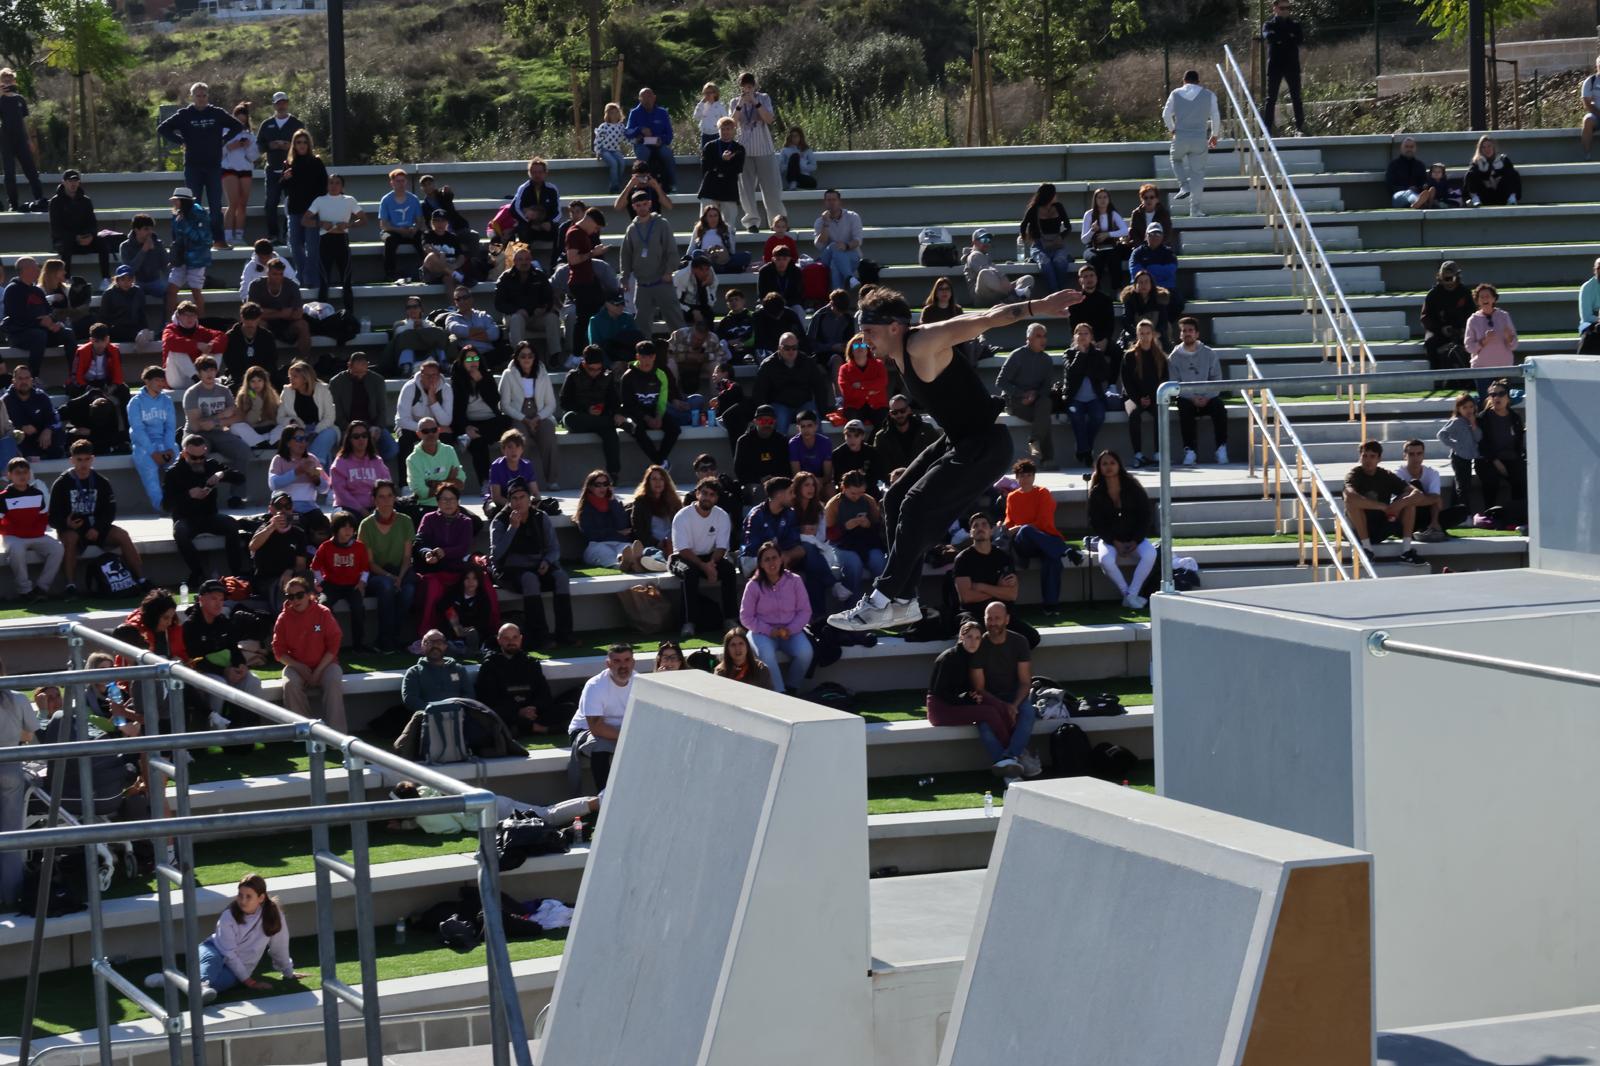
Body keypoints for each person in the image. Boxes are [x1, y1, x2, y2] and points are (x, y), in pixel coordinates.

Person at [927, 621, 1027, 778]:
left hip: (959, 704)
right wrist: (965, 698)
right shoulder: (949, 658)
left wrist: (970, 697)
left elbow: (970, 689)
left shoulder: (973, 657)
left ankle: (1009, 759)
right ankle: (1012, 756)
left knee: (1001, 707)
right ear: (961, 637)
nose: (973, 642)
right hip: (941, 709)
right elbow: (941, 693)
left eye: (978, 638)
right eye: (969, 637)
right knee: (989, 713)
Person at [48, 439, 146, 594]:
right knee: (71, 539)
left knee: (122, 535)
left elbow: (110, 512)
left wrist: (97, 528)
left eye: (87, 459)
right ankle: (70, 586)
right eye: (79, 460)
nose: (83, 464)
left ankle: (142, 579)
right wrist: (66, 523)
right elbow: (52, 517)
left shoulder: (101, 482)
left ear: (92, 459)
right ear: (71, 460)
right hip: (72, 530)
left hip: (97, 529)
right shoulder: (61, 484)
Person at [156, 82, 243, 248]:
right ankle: (192, 240)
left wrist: (223, 140)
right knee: (191, 204)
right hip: (193, 166)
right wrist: (181, 141)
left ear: (207, 96)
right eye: (198, 95)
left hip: (213, 166)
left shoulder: (217, 113)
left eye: (204, 95)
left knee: (215, 205)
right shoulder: (185, 114)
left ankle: (218, 240)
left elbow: (237, 126)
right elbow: (163, 128)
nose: (201, 99)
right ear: (192, 97)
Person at [489, 477, 572, 646]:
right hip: (510, 570)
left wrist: (547, 561)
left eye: (522, 497)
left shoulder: (541, 517)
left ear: (529, 498)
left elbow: (554, 548)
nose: (519, 502)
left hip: (538, 566)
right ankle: (540, 636)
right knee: (530, 579)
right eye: (514, 498)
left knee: (561, 577)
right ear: (509, 501)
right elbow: (497, 555)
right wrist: (513, 528)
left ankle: (565, 635)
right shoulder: (500, 521)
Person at [162, 434, 247, 586]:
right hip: (186, 518)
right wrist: (188, 495)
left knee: (231, 525)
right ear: (184, 454)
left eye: (202, 457)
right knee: (180, 532)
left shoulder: (211, 466)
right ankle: (198, 573)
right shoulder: (173, 473)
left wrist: (222, 474)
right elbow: (166, 505)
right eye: (194, 458)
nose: (198, 461)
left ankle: (236, 573)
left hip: (209, 516)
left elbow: (240, 478)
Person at [968, 601, 1038, 775]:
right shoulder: (979, 645)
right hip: (989, 698)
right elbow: (979, 688)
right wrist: (1002, 706)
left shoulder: (1019, 641)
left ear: (1007, 619)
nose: (993, 622)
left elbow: (1024, 682)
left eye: (997, 618)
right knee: (984, 724)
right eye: (989, 618)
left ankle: (1007, 760)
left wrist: (1013, 705)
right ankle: (1012, 764)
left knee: (1028, 712)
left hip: (1015, 695)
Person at [950, 512, 1039, 647]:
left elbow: (1011, 594)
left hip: (1000, 613)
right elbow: (967, 597)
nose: (980, 528)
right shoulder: (963, 559)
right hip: (975, 613)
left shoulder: (1003, 557)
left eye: (984, 524)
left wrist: (981, 586)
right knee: (971, 638)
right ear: (971, 533)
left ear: (991, 531)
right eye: (975, 526)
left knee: (1031, 638)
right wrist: (998, 588)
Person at [183, 578, 263, 725]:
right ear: (200, 599)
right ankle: (213, 734)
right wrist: (224, 671)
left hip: (226, 672)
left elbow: (233, 648)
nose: (219, 603)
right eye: (214, 598)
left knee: (253, 681)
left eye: (221, 599)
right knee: (219, 684)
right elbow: (195, 660)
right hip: (203, 673)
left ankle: (250, 729)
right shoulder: (190, 626)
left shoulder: (223, 622)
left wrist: (241, 665)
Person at [272, 574, 346, 729]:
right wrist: (299, 667)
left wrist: (318, 671)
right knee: (290, 683)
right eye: (290, 597)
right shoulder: (283, 618)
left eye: (299, 595)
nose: (295, 600)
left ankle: (337, 736)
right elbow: (279, 651)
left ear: (309, 595)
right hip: (297, 665)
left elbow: (334, 644)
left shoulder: (323, 612)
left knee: (333, 680)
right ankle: (305, 732)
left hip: (325, 665)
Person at [1087, 449, 1156, 608]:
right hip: (1110, 540)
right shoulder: (1096, 492)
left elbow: (1145, 515)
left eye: (1112, 463)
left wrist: (1136, 540)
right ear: (1099, 467)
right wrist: (1114, 541)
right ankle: (1128, 594)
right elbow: (1096, 523)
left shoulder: (1133, 486)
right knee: (1106, 560)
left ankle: (1131, 594)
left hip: (1134, 538)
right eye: (1104, 464)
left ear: (1119, 465)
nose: (1109, 467)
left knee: (1150, 553)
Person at [671, 477, 739, 637]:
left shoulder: (721, 516)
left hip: (710, 557)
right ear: (697, 494)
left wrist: (711, 564)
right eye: (704, 493)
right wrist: (705, 567)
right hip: (681, 557)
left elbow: (722, 547)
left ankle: (730, 619)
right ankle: (689, 623)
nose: (707, 497)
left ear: (716, 498)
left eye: (712, 494)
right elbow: (683, 550)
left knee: (728, 570)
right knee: (689, 572)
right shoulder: (682, 516)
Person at [1003, 459, 1070, 614]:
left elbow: (1043, 522)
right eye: (1021, 475)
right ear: (1017, 478)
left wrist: (1019, 527)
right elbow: (1009, 522)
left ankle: (1050, 605)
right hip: (1024, 543)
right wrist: (1011, 527)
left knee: (1052, 560)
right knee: (1026, 530)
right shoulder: (1012, 497)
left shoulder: (1042, 493)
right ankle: (1064, 550)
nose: (1025, 479)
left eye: (1028, 475)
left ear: (1034, 477)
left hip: (1044, 539)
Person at [1343, 441, 1427, 561]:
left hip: (1380, 527)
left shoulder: (1385, 475)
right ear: (1360, 457)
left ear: (1379, 459)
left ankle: (1406, 551)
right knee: (1351, 502)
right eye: (1364, 456)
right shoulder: (1354, 475)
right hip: (1356, 532)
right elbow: (1350, 497)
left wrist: (1400, 503)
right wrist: (1383, 507)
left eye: (1372, 456)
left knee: (1409, 501)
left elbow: (1418, 494)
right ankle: (1366, 549)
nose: (1368, 460)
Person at [357, 480, 416, 650]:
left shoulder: (405, 521)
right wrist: (391, 577)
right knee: (386, 586)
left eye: (390, 496)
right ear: (374, 500)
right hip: (376, 574)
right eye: (381, 497)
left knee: (409, 590)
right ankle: (384, 639)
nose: (386, 500)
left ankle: (394, 637)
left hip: (401, 571)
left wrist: (400, 577)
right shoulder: (366, 525)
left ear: (395, 498)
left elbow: (407, 556)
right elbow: (369, 562)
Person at [567, 643, 634, 791]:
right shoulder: (595, 685)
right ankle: (604, 798)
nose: (623, 666)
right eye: (617, 661)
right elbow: (596, 727)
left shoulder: (640, 682)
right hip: (585, 730)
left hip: (623, 730)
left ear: (633, 662)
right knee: (600, 747)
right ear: (608, 664)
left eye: (627, 660)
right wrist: (628, 737)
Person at [620, 341, 695, 468]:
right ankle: (660, 462)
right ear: (637, 356)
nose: (646, 360)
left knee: (674, 429)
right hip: (635, 413)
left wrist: (659, 416)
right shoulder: (627, 377)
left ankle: (659, 461)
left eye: (649, 356)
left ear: (654, 357)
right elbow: (628, 405)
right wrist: (647, 418)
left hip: (654, 411)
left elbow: (662, 399)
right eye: (643, 356)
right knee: (637, 430)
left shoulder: (661, 375)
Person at [620, 190, 685, 334]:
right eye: (638, 205)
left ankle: (683, 351)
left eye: (645, 204)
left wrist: (669, 271)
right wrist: (625, 277)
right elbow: (626, 255)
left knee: (675, 320)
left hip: (662, 280)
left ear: (650, 204)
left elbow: (672, 250)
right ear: (633, 207)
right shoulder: (631, 229)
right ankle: (645, 353)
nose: (642, 208)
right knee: (642, 324)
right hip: (642, 284)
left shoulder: (662, 224)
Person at [476, 622, 558, 735]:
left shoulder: (531, 663)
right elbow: (488, 700)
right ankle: (538, 729)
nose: (511, 642)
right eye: (506, 638)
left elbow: (544, 694)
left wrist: (533, 708)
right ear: (499, 640)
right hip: (509, 715)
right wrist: (518, 712)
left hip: (533, 713)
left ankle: (527, 728)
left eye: (515, 637)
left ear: (521, 639)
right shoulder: (489, 666)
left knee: (569, 708)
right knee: (493, 717)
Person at [0, 455, 61, 601]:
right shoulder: (2, 497)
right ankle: (25, 591)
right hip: (13, 537)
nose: (22, 476)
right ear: (9, 475)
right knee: (17, 549)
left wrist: (34, 531)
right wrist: (18, 532)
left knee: (57, 548)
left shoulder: (37, 494)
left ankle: (41, 588)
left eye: (25, 472)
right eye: (18, 473)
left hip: (36, 535)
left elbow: (43, 517)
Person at [1162, 70, 1221, 218]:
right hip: (1200, 139)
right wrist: (1214, 135)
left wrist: (1172, 129)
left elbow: (1166, 114)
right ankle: (1195, 210)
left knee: (1175, 159)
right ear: (1198, 81)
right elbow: (1215, 115)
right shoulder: (1209, 95)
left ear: (1184, 81)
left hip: (1180, 137)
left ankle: (1183, 185)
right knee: (1197, 175)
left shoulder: (1176, 93)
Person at [996, 323, 1056, 469]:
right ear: (1028, 338)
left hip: (1036, 401)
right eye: (1038, 336)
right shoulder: (1017, 356)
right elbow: (1001, 381)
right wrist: (1021, 394)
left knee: (1045, 404)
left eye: (1044, 336)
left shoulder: (1047, 360)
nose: (1043, 340)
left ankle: (1034, 440)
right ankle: (1047, 458)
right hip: (1014, 401)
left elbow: (1047, 386)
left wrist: (1035, 395)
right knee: (1043, 417)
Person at [1169, 317, 1228, 466]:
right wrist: (1192, 398)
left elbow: (1217, 379)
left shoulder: (1209, 353)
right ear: (1180, 334)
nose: (1187, 333)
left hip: (1207, 398)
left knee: (1219, 406)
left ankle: (1221, 448)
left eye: (1190, 330)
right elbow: (1174, 384)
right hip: (1187, 399)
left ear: (1197, 334)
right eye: (1184, 331)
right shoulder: (1173, 358)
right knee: (1183, 406)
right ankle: (1189, 450)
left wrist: (1207, 397)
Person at [559, 347, 623, 480]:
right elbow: (565, 403)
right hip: (580, 417)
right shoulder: (573, 376)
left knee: (610, 433)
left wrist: (614, 412)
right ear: (583, 364)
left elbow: (614, 402)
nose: (595, 373)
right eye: (591, 369)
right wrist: (586, 409)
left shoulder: (607, 376)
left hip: (600, 418)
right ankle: (607, 422)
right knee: (571, 419)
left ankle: (614, 473)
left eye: (598, 369)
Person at [731, 72, 784, 232]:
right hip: (743, 150)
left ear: (754, 85)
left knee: (771, 188)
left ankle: (777, 222)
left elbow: (769, 119)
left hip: (764, 148)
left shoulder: (764, 97)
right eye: (744, 85)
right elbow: (732, 123)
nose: (747, 88)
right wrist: (741, 104)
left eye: (750, 85)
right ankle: (752, 222)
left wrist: (754, 101)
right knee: (746, 189)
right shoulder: (735, 101)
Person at [183, 354, 253, 476]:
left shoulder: (224, 391)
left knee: (244, 451)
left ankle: (237, 494)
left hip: (219, 432)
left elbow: (239, 417)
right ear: (199, 373)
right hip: (197, 435)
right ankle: (200, 491)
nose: (209, 373)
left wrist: (217, 422)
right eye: (205, 370)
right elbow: (196, 425)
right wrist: (222, 415)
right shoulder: (192, 393)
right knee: (197, 454)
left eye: (212, 370)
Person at [311, 511, 372, 650]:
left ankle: (359, 644)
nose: (348, 530)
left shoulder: (359, 547)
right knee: (324, 605)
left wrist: (362, 583)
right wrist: (320, 582)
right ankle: (329, 643)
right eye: (344, 527)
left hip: (353, 586)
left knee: (358, 608)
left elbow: (365, 568)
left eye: (351, 527)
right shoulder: (325, 546)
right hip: (331, 585)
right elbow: (315, 567)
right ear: (336, 529)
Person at [451, 349, 513, 483]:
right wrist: (466, 427)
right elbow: (457, 410)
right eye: (468, 359)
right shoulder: (457, 379)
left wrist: (481, 381)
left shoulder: (486, 375)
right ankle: (486, 483)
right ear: (462, 362)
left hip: (490, 421)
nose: (472, 362)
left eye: (475, 359)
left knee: (507, 421)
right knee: (479, 444)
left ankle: (471, 436)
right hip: (471, 423)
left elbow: (495, 400)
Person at [305, 174, 364, 311]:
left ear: (342, 186)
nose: (334, 186)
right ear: (327, 185)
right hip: (325, 242)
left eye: (337, 183)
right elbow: (305, 220)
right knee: (324, 282)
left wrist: (348, 225)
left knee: (346, 282)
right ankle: (321, 317)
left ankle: (349, 317)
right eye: (331, 183)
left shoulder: (349, 200)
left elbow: (363, 219)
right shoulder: (320, 200)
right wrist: (320, 223)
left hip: (342, 241)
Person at [823, 470, 886, 597]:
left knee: (879, 561)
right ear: (843, 488)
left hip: (866, 542)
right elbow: (828, 534)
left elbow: (878, 526)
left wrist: (868, 525)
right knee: (853, 564)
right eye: (853, 493)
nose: (857, 497)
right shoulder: (834, 504)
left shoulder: (868, 501)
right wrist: (844, 527)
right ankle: (851, 605)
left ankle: (881, 602)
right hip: (841, 544)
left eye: (860, 493)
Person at [752, 333, 831, 433]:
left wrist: (822, 413)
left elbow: (820, 387)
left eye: (794, 348)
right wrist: (764, 414)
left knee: (814, 423)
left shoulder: (807, 362)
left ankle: (818, 448)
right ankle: (778, 449)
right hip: (780, 405)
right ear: (779, 348)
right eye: (787, 348)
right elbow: (759, 392)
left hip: (804, 403)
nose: (791, 351)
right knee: (779, 425)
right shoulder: (768, 365)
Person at [3, 255, 69, 376]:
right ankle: (34, 376)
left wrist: (52, 322)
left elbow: (49, 311)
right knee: (39, 335)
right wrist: (39, 323)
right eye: (35, 268)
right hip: (20, 334)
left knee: (67, 333)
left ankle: (74, 375)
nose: (39, 270)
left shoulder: (37, 291)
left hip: (41, 331)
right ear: (25, 270)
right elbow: (15, 317)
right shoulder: (12, 290)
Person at [1063, 323, 1118, 467]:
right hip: (1075, 398)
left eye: (1085, 333)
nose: (1082, 336)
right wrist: (1080, 355)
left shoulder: (1097, 353)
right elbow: (1071, 374)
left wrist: (1088, 367)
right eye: (1079, 333)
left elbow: (1105, 374)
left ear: (1091, 336)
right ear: (1074, 336)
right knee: (1076, 416)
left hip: (1094, 397)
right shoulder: (1069, 353)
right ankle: (1086, 452)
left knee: (1099, 416)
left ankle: (1083, 447)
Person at [495, 245, 561, 364]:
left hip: (536, 317)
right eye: (520, 259)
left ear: (531, 261)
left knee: (552, 318)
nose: (524, 262)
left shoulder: (540, 276)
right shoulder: (505, 278)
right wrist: (516, 310)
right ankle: (517, 356)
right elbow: (499, 304)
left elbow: (549, 298)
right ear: (514, 261)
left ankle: (555, 356)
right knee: (517, 318)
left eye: (526, 259)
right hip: (514, 316)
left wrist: (544, 308)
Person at [329, 351, 397, 466]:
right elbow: (336, 412)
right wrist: (351, 430)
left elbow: (382, 408)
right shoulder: (336, 382)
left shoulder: (377, 380)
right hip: (347, 427)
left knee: (392, 448)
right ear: (349, 365)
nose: (359, 374)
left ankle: (376, 467)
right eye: (356, 371)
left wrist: (377, 427)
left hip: (372, 425)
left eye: (364, 365)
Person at [280, 129, 328, 289]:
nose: (302, 145)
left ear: (309, 144)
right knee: (295, 244)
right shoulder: (288, 164)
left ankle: (311, 279)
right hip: (294, 210)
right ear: (294, 145)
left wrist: (314, 209)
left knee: (312, 247)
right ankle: (300, 275)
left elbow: (323, 188)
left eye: (304, 142)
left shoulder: (316, 162)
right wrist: (284, 179)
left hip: (312, 211)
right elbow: (283, 187)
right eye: (298, 142)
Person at [1120, 319, 1169, 469]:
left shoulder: (1160, 356)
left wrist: (1152, 398)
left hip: (1155, 397)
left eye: (1148, 333)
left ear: (1153, 334)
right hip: (1133, 397)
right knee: (1134, 414)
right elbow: (1126, 382)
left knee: (1159, 414)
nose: (1145, 336)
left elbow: (1164, 379)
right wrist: (1139, 399)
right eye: (1141, 333)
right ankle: (1138, 454)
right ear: (1137, 335)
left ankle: (1158, 453)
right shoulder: (1129, 356)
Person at [48, 170, 112, 283]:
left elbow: (92, 223)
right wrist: (75, 237)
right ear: (63, 182)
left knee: (102, 243)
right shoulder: (55, 202)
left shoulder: (86, 201)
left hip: (84, 241)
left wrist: (90, 236)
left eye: (76, 181)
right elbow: (56, 229)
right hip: (64, 241)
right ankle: (66, 280)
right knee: (66, 243)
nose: (73, 184)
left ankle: (105, 279)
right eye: (70, 181)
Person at [257, 92, 304, 244]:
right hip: (272, 169)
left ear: (287, 103)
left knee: (291, 203)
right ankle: (273, 234)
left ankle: (288, 233)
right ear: (274, 105)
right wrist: (270, 145)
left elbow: (305, 144)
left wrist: (289, 146)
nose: (281, 105)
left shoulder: (296, 124)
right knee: (270, 203)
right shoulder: (266, 124)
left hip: (292, 169)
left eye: (284, 102)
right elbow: (259, 145)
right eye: (278, 103)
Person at [128, 365, 177, 508]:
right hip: (144, 445)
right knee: (149, 470)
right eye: (157, 380)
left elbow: (170, 427)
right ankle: (161, 505)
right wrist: (153, 452)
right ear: (147, 381)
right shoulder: (136, 402)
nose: (161, 384)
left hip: (164, 442)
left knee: (178, 464)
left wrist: (168, 448)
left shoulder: (167, 400)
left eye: (162, 380)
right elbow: (138, 430)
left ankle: (181, 501)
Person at [247, 257, 312, 363]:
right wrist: (282, 313)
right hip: (267, 325)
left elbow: (298, 314)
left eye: (281, 274)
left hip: (287, 326)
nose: (278, 277)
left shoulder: (292, 286)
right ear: (267, 273)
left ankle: (304, 361)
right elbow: (252, 313)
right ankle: (260, 361)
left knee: (303, 325)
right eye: (274, 274)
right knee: (259, 324)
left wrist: (266, 312)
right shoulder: (256, 285)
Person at [1476, 382, 1526, 514]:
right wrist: (1496, 461)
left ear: (1508, 397)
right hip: (1488, 460)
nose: (1496, 397)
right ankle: (1489, 514)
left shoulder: (1515, 418)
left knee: (1521, 477)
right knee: (1491, 480)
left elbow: (1519, 442)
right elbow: (1482, 444)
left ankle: (1519, 514)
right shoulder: (1482, 418)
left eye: (1501, 394)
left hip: (1511, 458)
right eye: (1493, 394)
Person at [869, 394, 939, 488]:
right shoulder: (882, 437)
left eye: (902, 411)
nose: (899, 415)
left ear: (909, 410)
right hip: (896, 484)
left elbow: (939, 454)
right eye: (895, 412)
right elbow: (879, 466)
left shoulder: (926, 430)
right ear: (890, 414)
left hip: (923, 482)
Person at [278, 360, 339, 467]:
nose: (291, 379)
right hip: (299, 431)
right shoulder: (287, 392)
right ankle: (317, 469)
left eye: (295, 376)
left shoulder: (323, 390)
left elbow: (330, 418)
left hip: (321, 429)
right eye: (290, 376)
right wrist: (293, 422)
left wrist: (315, 431)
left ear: (305, 378)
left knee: (329, 433)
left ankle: (311, 465)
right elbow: (280, 418)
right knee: (325, 453)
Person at [0, 67, 45, 211]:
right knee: (9, 173)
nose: (7, 82)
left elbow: (23, 121)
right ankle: (13, 204)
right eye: (4, 79)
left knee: (31, 171)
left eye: (9, 79)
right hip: (6, 140)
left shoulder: (20, 99)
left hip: (21, 139)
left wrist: (29, 140)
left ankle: (40, 200)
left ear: (13, 81)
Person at [1395, 437, 1454, 543]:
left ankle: (1432, 527)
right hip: (1406, 516)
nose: (1415, 457)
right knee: (1415, 484)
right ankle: (1424, 530)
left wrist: (1434, 520)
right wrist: (1427, 498)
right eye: (1411, 454)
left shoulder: (1432, 473)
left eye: (1419, 453)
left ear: (1423, 455)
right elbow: (1401, 501)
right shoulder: (1398, 473)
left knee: (1461, 511)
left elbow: (1437, 499)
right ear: (1405, 456)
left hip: (1428, 516)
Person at [165, 189, 214, 318]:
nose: (174, 202)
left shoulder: (199, 214)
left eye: (176, 200)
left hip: (197, 259)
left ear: (183, 201)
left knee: (196, 292)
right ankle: (170, 324)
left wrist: (185, 226)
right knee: (171, 290)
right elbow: (175, 237)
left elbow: (205, 239)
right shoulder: (177, 215)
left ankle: (201, 324)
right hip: (181, 259)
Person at [1463, 283, 1517, 395]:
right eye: (1481, 297)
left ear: (1494, 298)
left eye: (1488, 296)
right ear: (1477, 301)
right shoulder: (1472, 320)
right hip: (1482, 370)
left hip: (1504, 368)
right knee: (1485, 402)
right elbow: (1469, 347)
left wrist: (1509, 337)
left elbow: (1514, 344)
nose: (1485, 299)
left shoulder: (1504, 316)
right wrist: (1483, 341)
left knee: (1503, 403)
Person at [1261, 0, 1305, 135]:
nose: (1286, 10)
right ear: (1275, 8)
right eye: (1282, 8)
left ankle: (1300, 127)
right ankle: (1267, 129)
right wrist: (1288, 37)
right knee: (1271, 98)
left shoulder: (1295, 25)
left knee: (1296, 97)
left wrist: (1280, 38)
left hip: (1291, 64)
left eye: (1288, 8)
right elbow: (1269, 38)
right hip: (1275, 65)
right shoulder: (1268, 24)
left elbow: (1299, 39)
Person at [1020, 184, 1074, 295]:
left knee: (1059, 260)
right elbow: (1023, 225)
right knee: (1045, 261)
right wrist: (1026, 238)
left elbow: (1068, 226)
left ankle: (1061, 290)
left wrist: (1061, 237)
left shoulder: (1059, 207)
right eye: (1054, 193)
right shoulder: (1034, 209)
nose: (1056, 196)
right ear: (1049, 195)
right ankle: (1055, 292)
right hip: (1039, 245)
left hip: (1057, 244)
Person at [1421, 260, 1474, 372]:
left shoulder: (1465, 292)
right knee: (1430, 343)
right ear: (1440, 278)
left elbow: (1473, 314)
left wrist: (1466, 329)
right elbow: (1425, 317)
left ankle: (1470, 378)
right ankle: (1437, 377)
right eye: (1446, 279)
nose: (1449, 282)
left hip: (1462, 330)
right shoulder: (1433, 294)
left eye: (1452, 278)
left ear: (1457, 277)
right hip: (1439, 331)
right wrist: (1440, 328)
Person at [328, 421, 388, 517]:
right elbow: (341, 493)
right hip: (348, 508)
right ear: (349, 440)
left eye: (364, 436)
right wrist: (361, 510)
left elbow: (386, 486)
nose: (361, 439)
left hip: (375, 507)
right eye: (356, 437)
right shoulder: (340, 462)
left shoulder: (377, 461)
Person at [404, 416, 465, 511]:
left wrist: (435, 484)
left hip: (452, 506)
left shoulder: (449, 450)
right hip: (427, 507)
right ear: (418, 434)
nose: (431, 434)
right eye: (425, 431)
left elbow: (461, 482)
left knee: (476, 522)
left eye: (434, 430)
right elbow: (422, 492)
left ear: (439, 430)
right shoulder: (412, 459)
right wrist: (449, 480)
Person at [623, 87, 676, 192]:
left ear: (654, 98)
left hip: (658, 144)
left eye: (649, 97)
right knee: (643, 155)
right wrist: (640, 130)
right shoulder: (634, 113)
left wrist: (661, 140)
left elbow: (669, 135)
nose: (647, 100)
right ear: (639, 99)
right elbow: (628, 132)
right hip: (641, 144)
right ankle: (641, 187)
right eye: (643, 97)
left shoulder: (662, 113)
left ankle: (672, 185)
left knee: (668, 154)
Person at [2, 364, 61, 459]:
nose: (24, 381)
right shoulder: (5, 401)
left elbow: (54, 418)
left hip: (40, 439)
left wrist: (48, 429)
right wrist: (20, 428)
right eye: (20, 378)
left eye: (27, 378)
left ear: (31, 380)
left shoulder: (42, 397)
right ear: (13, 381)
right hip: (17, 442)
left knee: (57, 435)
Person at [219, 103, 258, 247]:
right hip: (229, 169)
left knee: (242, 204)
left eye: (243, 121)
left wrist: (246, 147)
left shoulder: (250, 135)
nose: (241, 123)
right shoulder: (225, 133)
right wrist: (230, 147)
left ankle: (239, 235)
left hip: (245, 171)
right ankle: (228, 236)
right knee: (233, 203)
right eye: (238, 120)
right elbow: (219, 153)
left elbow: (254, 157)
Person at [378, 168, 425, 282]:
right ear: (392, 183)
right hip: (392, 231)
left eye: (403, 181)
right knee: (389, 240)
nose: (401, 184)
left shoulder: (413, 199)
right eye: (398, 181)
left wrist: (414, 228)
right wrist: (399, 230)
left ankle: (428, 270)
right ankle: (390, 274)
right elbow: (383, 225)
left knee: (423, 238)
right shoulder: (386, 200)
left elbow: (419, 220)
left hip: (409, 231)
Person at [963, 229, 1032, 306]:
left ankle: (1011, 299)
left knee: (1027, 278)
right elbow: (988, 271)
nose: (987, 243)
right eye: (984, 240)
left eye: (989, 240)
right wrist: (1002, 276)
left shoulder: (984, 255)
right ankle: (1014, 295)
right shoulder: (974, 255)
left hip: (997, 294)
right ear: (974, 242)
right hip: (982, 298)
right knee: (984, 273)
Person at [1437, 392, 1481, 513]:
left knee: (1464, 484)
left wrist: (1473, 424)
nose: (1468, 410)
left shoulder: (1474, 421)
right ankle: (1464, 513)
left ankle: (1457, 510)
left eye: (1471, 406)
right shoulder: (1456, 421)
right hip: (1458, 457)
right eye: (1464, 407)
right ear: (1458, 409)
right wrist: (1455, 444)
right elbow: (1441, 434)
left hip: (1469, 457)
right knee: (1463, 486)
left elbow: (1478, 438)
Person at [814, 189, 864, 291]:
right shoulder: (820, 222)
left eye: (834, 199)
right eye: (828, 200)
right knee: (833, 246)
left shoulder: (853, 217)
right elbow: (819, 245)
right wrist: (826, 224)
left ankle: (838, 300)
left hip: (851, 255)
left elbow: (858, 240)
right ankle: (850, 278)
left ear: (840, 201)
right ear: (825, 202)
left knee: (835, 264)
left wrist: (846, 246)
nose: (831, 202)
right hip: (827, 256)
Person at [697, 116, 744, 223]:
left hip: (729, 189)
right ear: (718, 130)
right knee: (704, 224)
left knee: (729, 224)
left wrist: (718, 167)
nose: (725, 132)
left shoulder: (739, 148)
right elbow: (706, 168)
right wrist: (722, 160)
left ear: (733, 130)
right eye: (722, 129)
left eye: (728, 129)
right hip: (710, 188)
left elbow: (737, 169)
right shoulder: (710, 146)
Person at [1080, 188, 1130, 290]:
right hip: (1093, 247)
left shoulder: (1113, 214)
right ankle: (1095, 290)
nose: (1102, 200)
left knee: (1114, 258)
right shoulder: (1089, 214)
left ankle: (1117, 290)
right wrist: (1092, 230)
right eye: (1099, 197)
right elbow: (1084, 240)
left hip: (1110, 246)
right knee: (1096, 259)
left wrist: (1108, 234)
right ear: (1095, 199)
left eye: (1105, 197)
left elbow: (1125, 230)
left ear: (1109, 199)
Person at [388, 295, 450, 376]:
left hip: (428, 353)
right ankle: (406, 367)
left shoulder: (429, 323)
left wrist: (422, 325)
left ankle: (444, 364)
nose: (412, 310)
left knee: (437, 338)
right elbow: (398, 333)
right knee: (406, 339)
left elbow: (438, 333)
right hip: (410, 354)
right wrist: (413, 325)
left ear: (421, 308)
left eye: (415, 307)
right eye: (409, 307)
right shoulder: (400, 323)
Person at [837, 334, 889, 429]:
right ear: (851, 350)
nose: (860, 348)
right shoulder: (844, 369)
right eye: (856, 346)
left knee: (885, 426)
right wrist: (870, 391)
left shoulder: (879, 365)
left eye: (863, 345)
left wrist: (861, 385)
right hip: (854, 406)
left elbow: (882, 382)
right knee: (854, 428)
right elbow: (847, 392)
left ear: (868, 348)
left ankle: (872, 443)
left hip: (878, 405)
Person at [1127, 224, 1179, 312]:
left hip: (1166, 287)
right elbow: (1136, 272)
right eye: (1151, 234)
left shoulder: (1169, 253)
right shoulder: (1137, 253)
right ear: (1146, 236)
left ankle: (1165, 324)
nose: (1155, 236)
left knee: (1178, 303)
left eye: (1158, 234)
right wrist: (1158, 271)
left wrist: (1149, 268)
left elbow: (1170, 271)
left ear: (1162, 236)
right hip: (1141, 289)